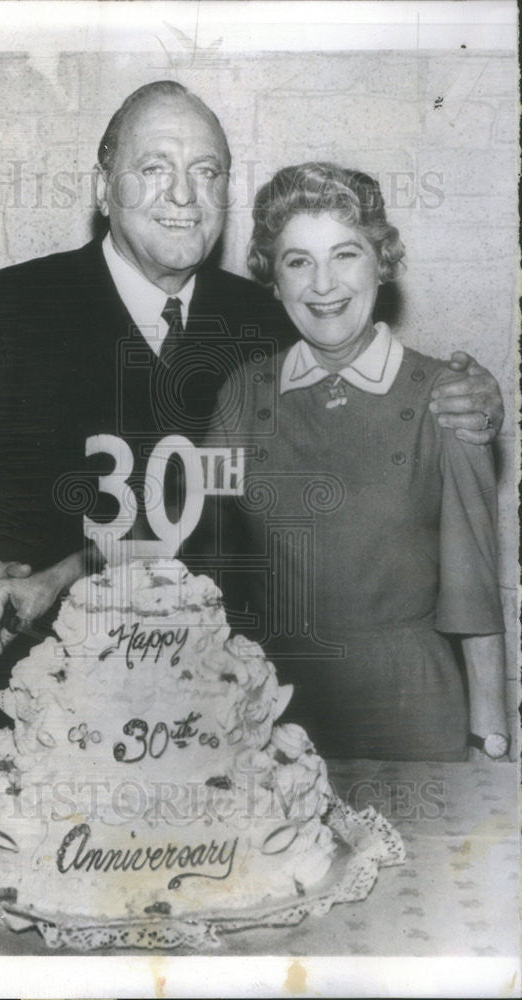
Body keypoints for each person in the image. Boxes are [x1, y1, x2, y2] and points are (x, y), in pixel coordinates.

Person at [0, 83, 505, 747]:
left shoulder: (276, 316)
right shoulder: (12, 306)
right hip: (52, 712)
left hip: (235, 723)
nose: (183, 196)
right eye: (154, 169)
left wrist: (472, 396)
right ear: (102, 190)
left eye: (205, 172)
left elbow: (379, 409)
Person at [206, 162, 508, 762]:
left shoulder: (448, 397)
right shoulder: (240, 395)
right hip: (271, 716)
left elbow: (474, 592)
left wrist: (491, 738)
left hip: (412, 712)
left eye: (345, 255)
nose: (323, 285)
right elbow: (198, 554)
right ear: (273, 277)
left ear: (382, 263)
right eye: (298, 261)